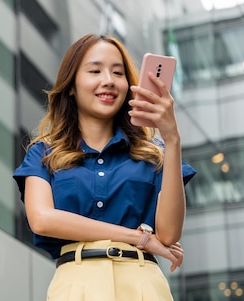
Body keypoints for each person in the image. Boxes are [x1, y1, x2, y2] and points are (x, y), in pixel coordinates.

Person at [13, 34, 196, 300]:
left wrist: (172, 137)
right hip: (76, 285)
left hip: (143, 285)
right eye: (95, 70)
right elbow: (42, 220)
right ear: (72, 85)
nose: (108, 80)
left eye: (118, 72)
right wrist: (139, 237)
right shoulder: (43, 153)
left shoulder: (155, 153)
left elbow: (168, 234)